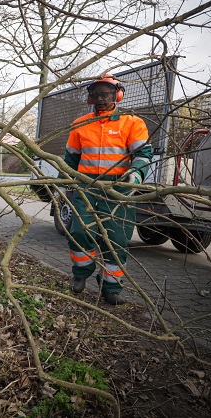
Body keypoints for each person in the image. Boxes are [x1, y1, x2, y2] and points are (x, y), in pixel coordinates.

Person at [63, 74, 153, 305]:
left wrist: (136, 173)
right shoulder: (80, 123)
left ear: (117, 95)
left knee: (117, 239)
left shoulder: (132, 122)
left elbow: (143, 154)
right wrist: (67, 183)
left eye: (105, 94)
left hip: (118, 189)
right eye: (96, 94)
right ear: (90, 97)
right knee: (80, 232)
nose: (100, 99)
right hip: (86, 186)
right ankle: (81, 274)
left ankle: (111, 286)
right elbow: (71, 158)